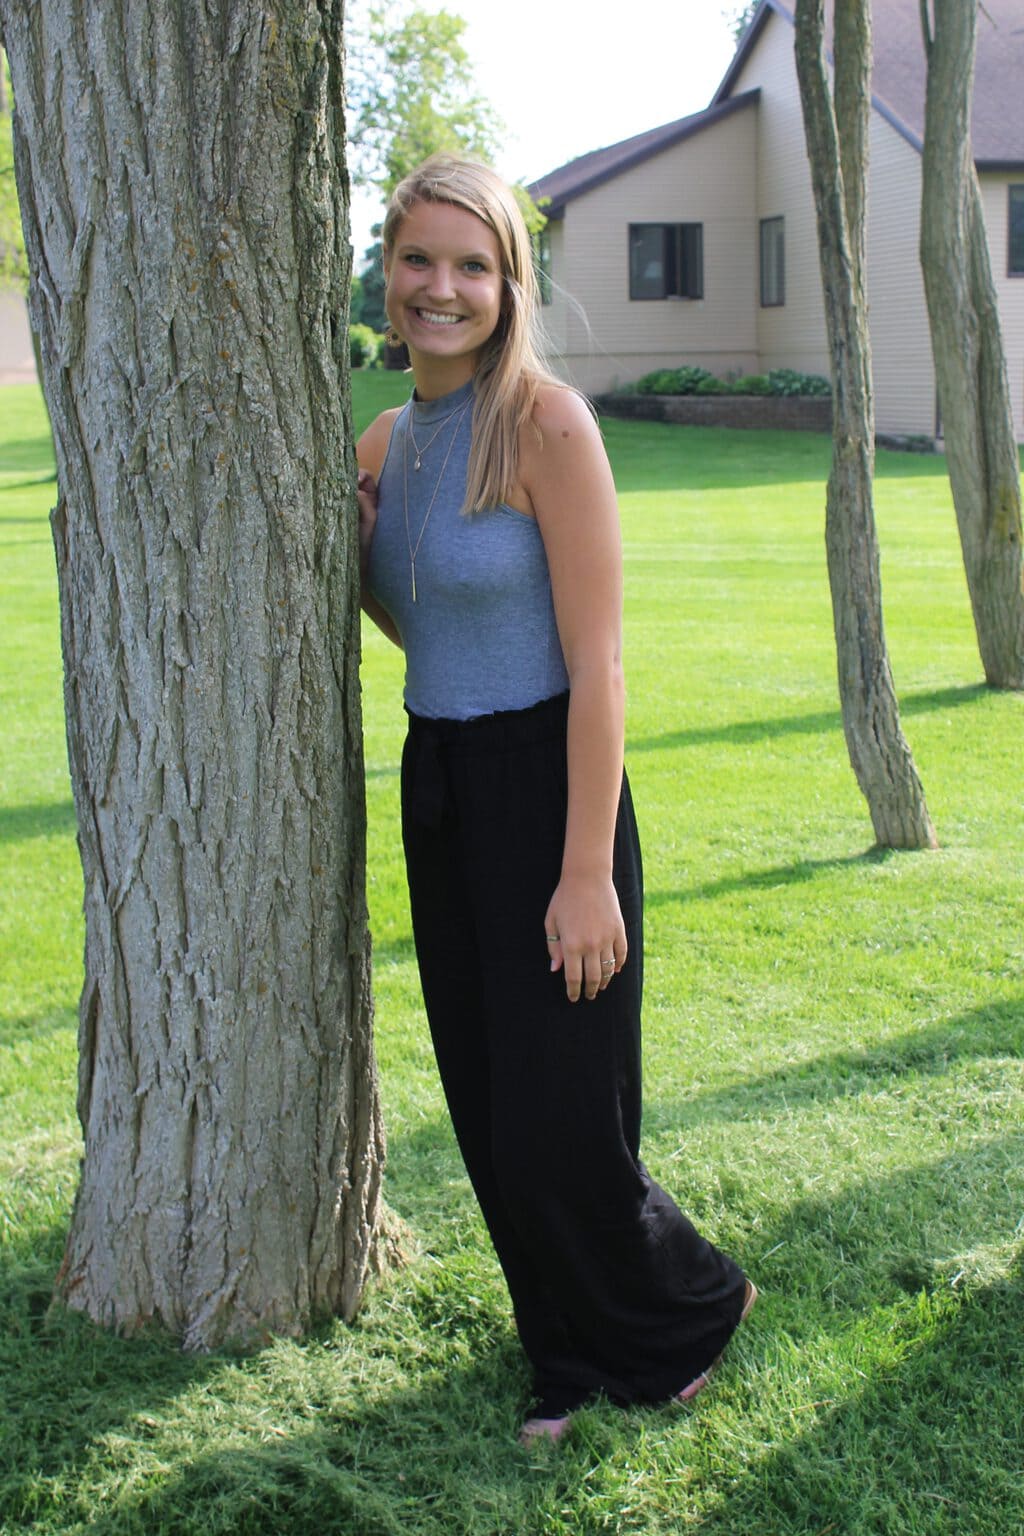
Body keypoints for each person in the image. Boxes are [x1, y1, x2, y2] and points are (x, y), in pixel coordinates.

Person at [356, 154, 755, 1445]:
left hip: (549, 782)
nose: (442, 287)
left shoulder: (546, 427)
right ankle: (566, 1358)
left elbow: (601, 666)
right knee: (485, 1099)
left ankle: (685, 1309)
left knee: (561, 1108)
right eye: (420, 258)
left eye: (473, 264)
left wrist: (586, 871)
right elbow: (411, 616)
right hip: (441, 782)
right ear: (387, 269)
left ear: (511, 283)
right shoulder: (386, 440)